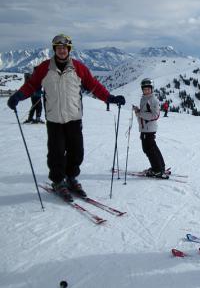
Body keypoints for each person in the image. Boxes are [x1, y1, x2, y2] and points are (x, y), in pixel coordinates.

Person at [7, 34, 126, 202]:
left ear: (69, 49)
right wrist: (18, 96)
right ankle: (57, 181)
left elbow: (94, 85)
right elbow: (32, 85)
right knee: (56, 152)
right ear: (54, 49)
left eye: (64, 47)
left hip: (74, 117)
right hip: (54, 119)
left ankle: (71, 178)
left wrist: (109, 98)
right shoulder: (44, 68)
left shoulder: (79, 67)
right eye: (58, 47)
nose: (61, 50)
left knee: (76, 151)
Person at [133, 78, 168, 179]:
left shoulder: (153, 100)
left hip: (149, 128)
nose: (146, 91)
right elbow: (145, 112)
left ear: (152, 89)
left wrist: (140, 113)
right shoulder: (144, 98)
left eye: (148, 89)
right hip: (145, 128)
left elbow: (155, 115)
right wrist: (138, 111)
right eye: (144, 89)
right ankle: (160, 167)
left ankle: (157, 170)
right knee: (152, 148)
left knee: (148, 149)